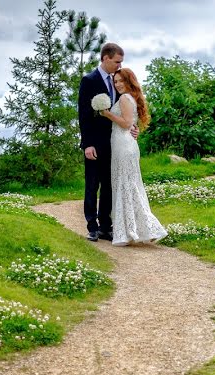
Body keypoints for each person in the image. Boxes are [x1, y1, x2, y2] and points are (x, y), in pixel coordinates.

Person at [100, 68, 168, 246]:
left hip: (124, 146)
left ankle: (141, 228)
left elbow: (126, 123)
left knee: (127, 185)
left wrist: (107, 114)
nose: (118, 84)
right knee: (129, 185)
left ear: (129, 81)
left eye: (121, 81)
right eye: (115, 82)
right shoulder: (130, 98)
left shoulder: (124, 98)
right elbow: (132, 124)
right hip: (124, 144)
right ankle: (136, 229)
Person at [78, 42, 130, 242]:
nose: (120, 66)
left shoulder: (118, 81)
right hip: (94, 143)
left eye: (121, 62)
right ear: (105, 58)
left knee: (109, 185)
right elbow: (83, 115)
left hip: (114, 142)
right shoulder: (88, 80)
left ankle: (105, 226)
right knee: (92, 184)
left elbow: (123, 110)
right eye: (117, 62)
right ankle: (92, 226)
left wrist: (129, 127)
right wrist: (87, 144)